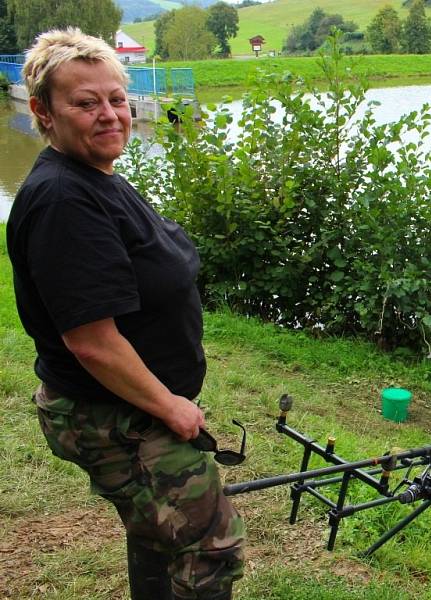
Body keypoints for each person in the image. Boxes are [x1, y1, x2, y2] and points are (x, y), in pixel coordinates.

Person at [6, 28, 245, 600]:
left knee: (156, 530)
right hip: (112, 415)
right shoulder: (66, 200)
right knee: (210, 546)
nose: (110, 114)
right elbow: (91, 340)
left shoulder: (97, 176)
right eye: (85, 103)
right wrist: (170, 407)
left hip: (130, 406)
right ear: (43, 110)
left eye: (115, 98)